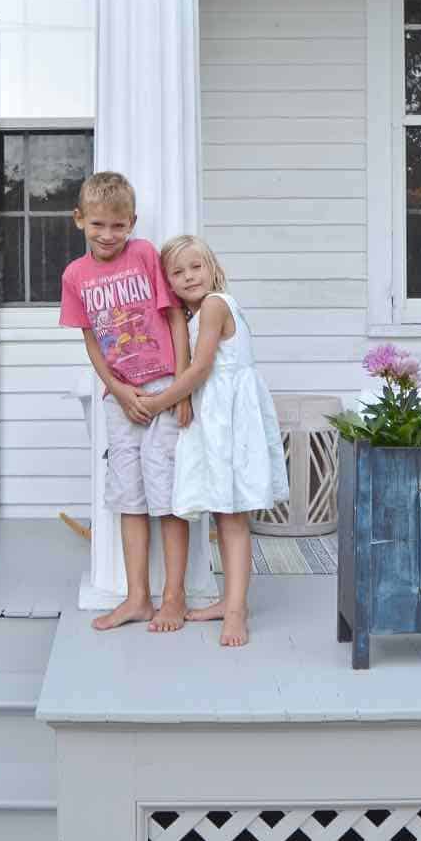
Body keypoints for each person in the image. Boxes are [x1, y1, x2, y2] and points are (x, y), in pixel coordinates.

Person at [59, 172, 194, 633]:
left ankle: (173, 597)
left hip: (164, 390)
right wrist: (116, 391)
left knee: (170, 498)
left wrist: (181, 388)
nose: (108, 235)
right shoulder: (75, 276)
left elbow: (174, 316)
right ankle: (138, 598)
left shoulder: (144, 256)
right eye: (98, 224)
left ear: (131, 222)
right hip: (121, 398)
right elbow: (92, 340)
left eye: (118, 226)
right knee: (130, 499)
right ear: (80, 220)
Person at [138, 235, 287, 647]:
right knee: (223, 512)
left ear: (212, 267)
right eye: (178, 272)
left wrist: (158, 403)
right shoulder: (196, 313)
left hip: (229, 423)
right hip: (216, 421)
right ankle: (227, 600)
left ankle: (236, 610)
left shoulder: (215, 305)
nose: (188, 276)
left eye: (195, 267)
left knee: (233, 517)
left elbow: (201, 368)